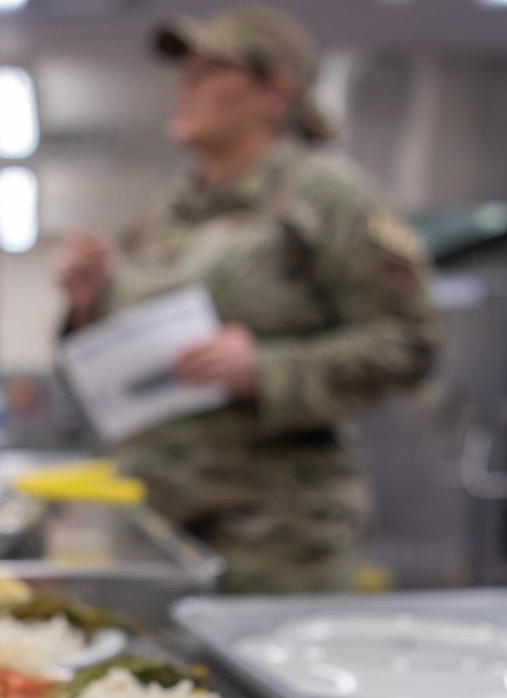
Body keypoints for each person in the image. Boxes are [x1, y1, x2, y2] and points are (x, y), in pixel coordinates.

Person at [56, 6, 439, 594]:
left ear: (273, 91)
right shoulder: (158, 216)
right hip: (161, 521)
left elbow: (411, 344)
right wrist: (88, 303)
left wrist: (264, 369)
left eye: (212, 70)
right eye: (186, 70)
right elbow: (112, 362)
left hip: (278, 532)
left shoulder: (328, 200)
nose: (186, 85)